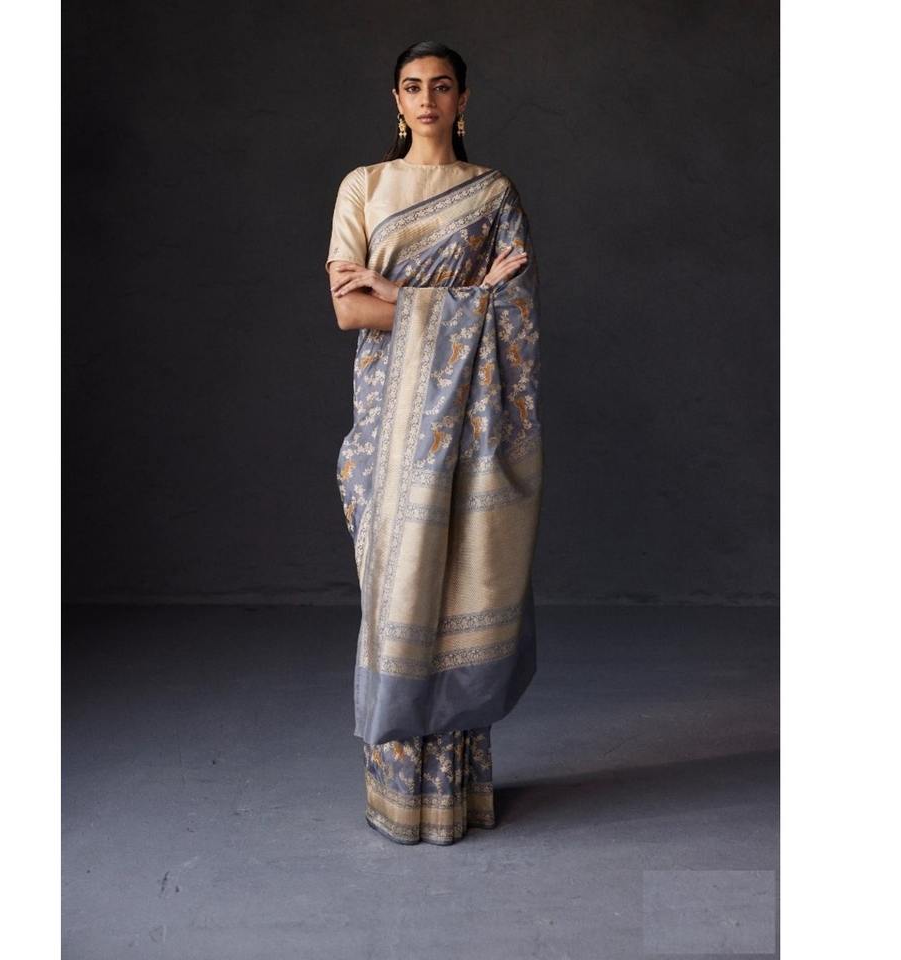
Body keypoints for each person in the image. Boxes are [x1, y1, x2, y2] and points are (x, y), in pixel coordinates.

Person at [325, 41, 543, 845]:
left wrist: (400, 291)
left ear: (463, 100)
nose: (426, 100)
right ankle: (397, 794)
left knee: (458, 587)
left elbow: (516, 316)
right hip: (387, 427)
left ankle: (455, 795)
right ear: (396, 99)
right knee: (395, 593)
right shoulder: (364, 187)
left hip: (468, 432)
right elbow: (349, 311)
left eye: (441, 87)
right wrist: (466, 293)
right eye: (412, 87)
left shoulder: (492, 194)